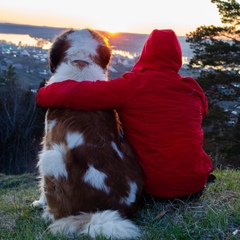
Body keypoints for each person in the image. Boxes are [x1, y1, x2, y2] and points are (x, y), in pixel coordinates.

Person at [36, 29, 214, 202]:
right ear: (177, 57)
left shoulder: (131, 86)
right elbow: (202, 111)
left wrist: (44, 94)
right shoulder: (192, 88)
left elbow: (77, 94)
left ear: (146, 53)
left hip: (154, 192)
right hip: (196, 186)